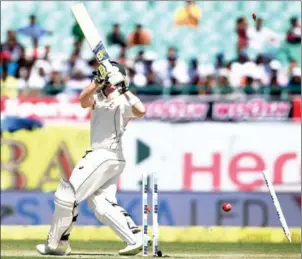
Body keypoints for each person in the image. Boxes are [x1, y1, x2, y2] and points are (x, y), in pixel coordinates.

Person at [36, 61, 149, 256]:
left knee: (67, 195)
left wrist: (125, 89)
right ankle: (135, 238)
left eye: (104, 76)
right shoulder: (96, 95)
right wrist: (97, 81)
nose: (101, 78)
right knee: (101, 204)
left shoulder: (123, 100)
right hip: (107, 157)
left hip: (106, 154)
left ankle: (57, 243)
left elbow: (141, 111)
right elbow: (83, 101)